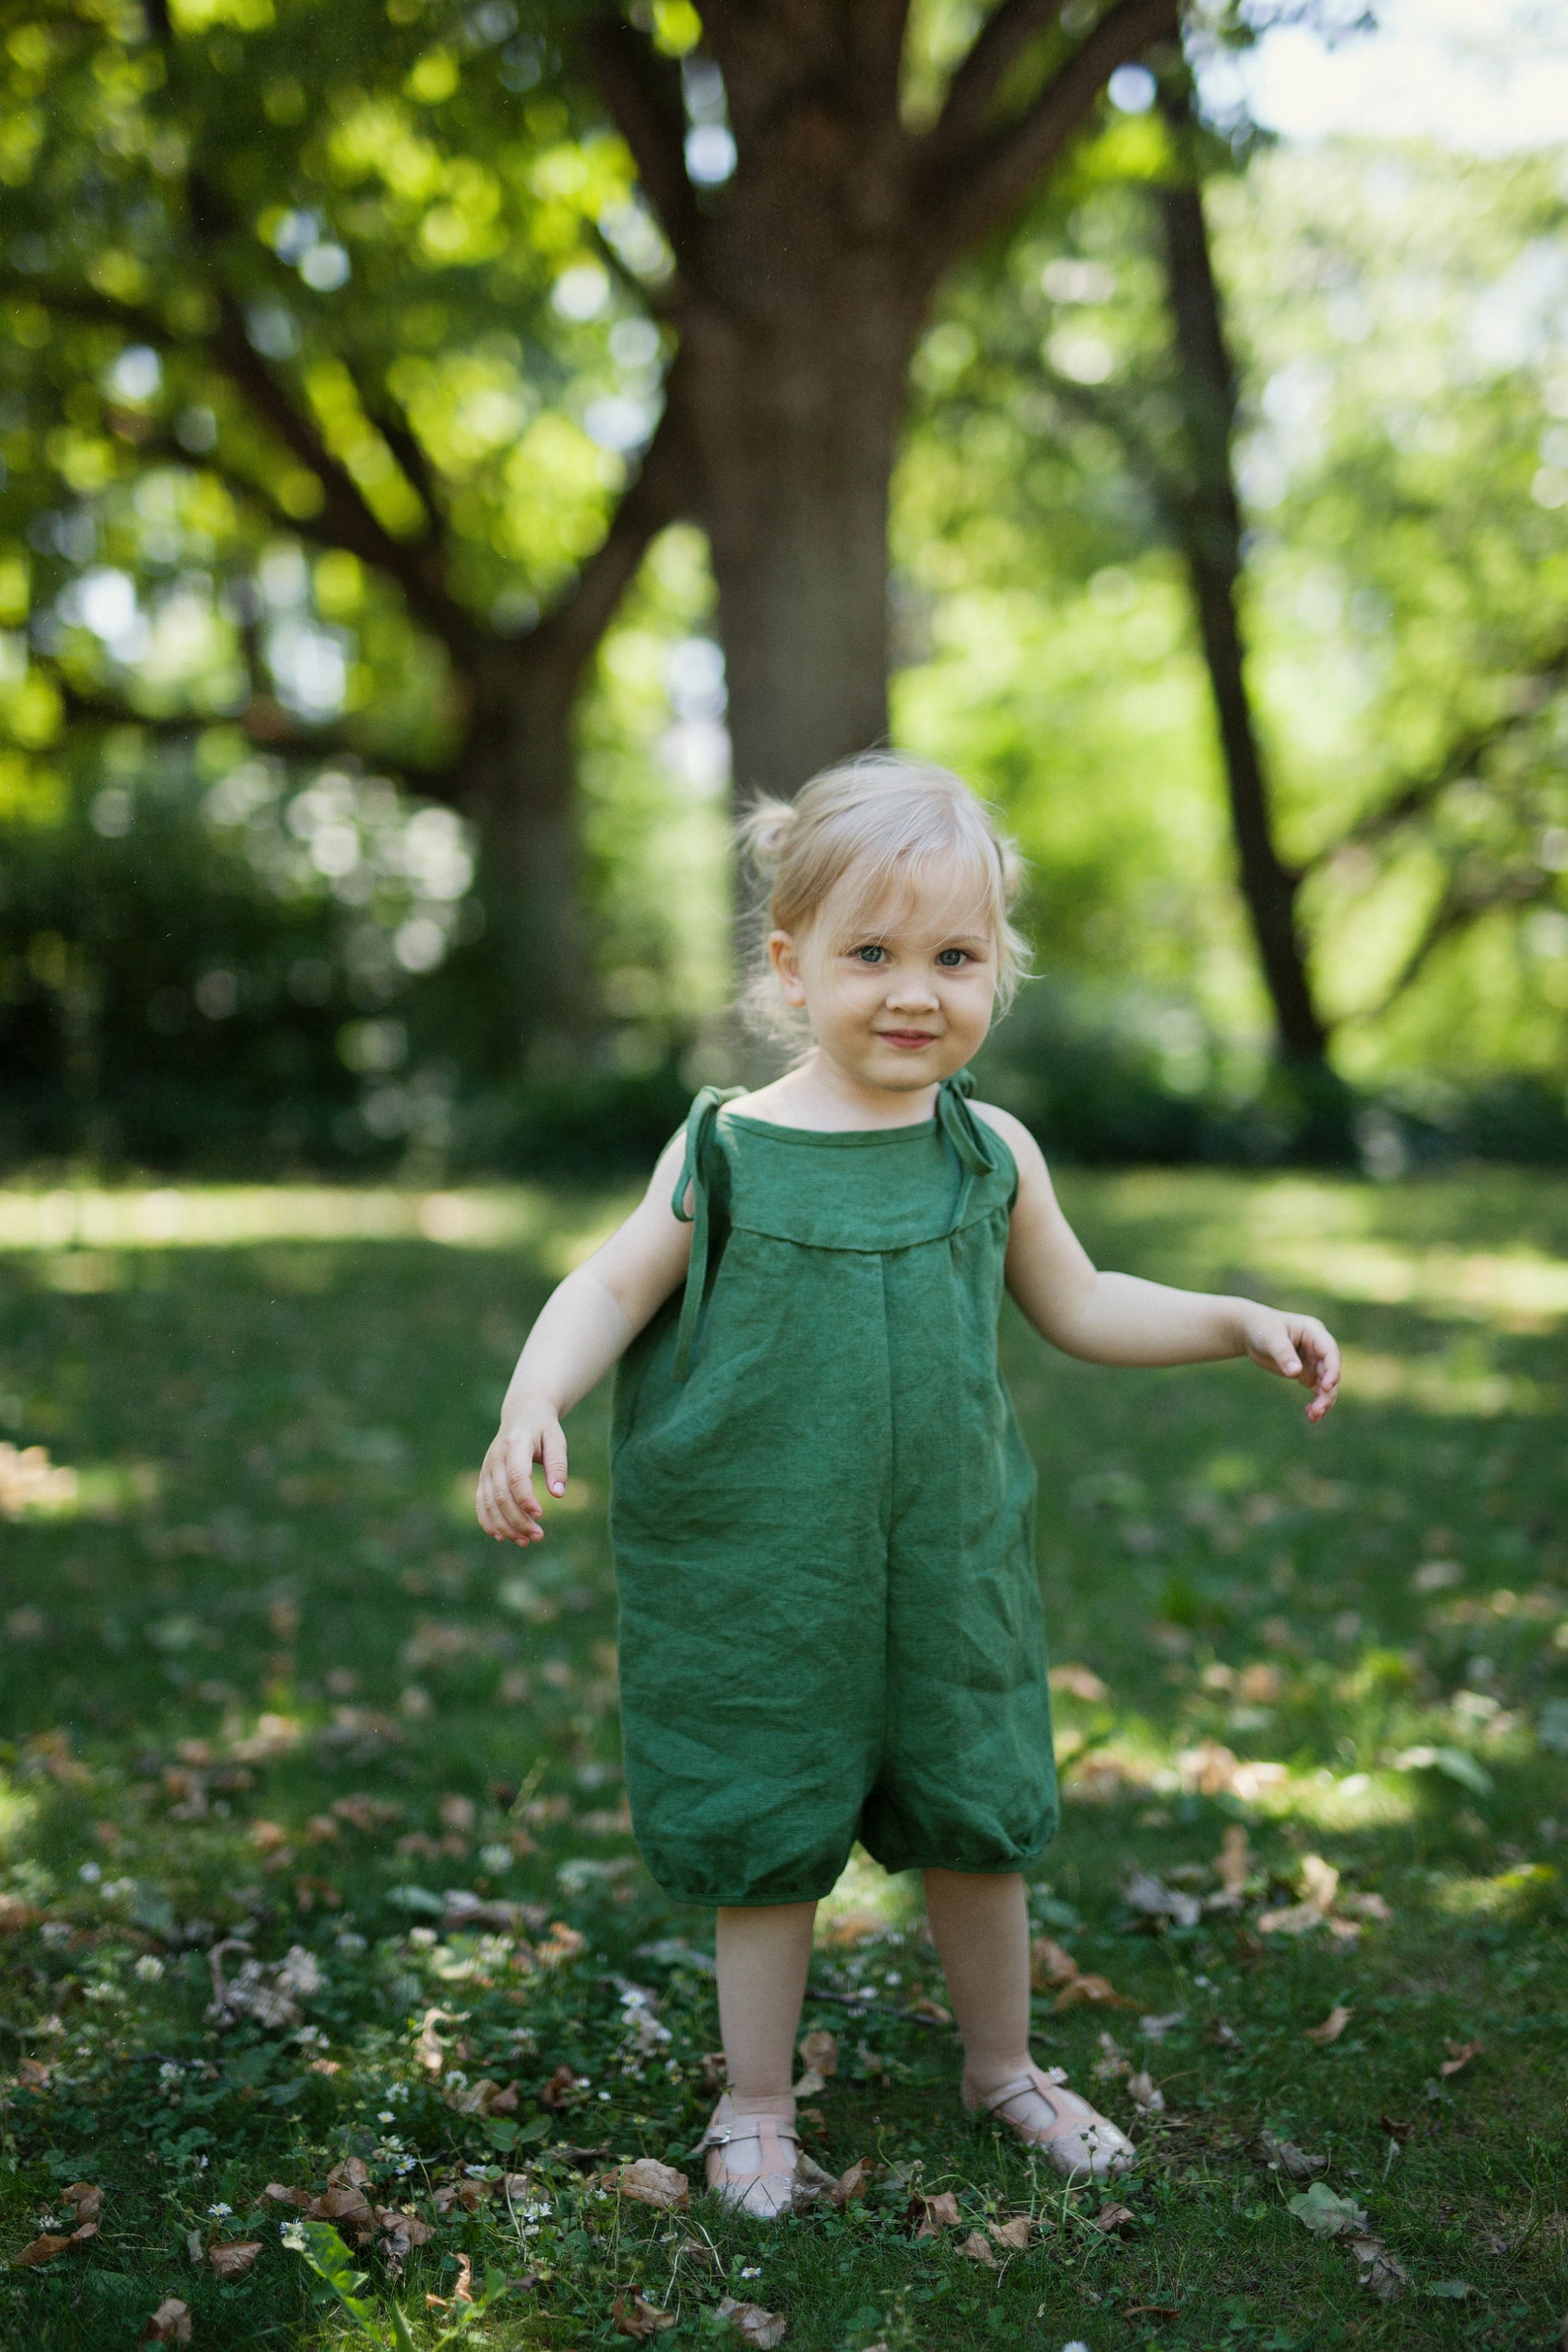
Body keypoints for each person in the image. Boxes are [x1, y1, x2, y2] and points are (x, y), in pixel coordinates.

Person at [476, 753, 1341, 2219]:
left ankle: (1001, 2066)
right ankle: (755, 2101)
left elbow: (1083, 1302)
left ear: (998, 970)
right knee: (764, 1814)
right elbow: (612, 1280)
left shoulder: (987, 1151)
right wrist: (529, 1398)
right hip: (767, 1556)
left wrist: (1231, 1319)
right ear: (790, 961)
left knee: (975, 1804)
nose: (912, 990)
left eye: (954, 955)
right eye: (871, 953)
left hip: (948, 1556)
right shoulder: (731, 1150)